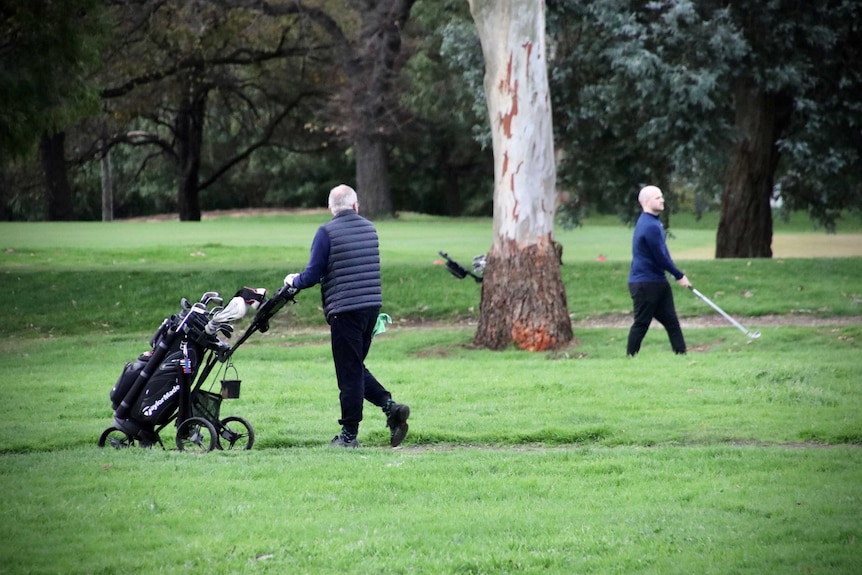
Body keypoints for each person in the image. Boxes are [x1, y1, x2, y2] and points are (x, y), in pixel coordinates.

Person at [283, 184, 410, 448]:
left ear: (331, 208)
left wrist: (292, 280)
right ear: (355, 206)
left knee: (349, 374)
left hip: (344, 310)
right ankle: (391, 408)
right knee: (354, 366)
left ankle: (349, 436)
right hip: (371, 308)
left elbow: (312, 275)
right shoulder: (370, 228)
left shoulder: (326, 232)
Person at [626, 185, 691, 356]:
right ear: (646, 202)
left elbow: (664, 252)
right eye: (657, 198)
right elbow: (660, 257)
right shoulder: (649, 226)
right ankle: (629, 358)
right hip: (645, 283)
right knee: (641, 323)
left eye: (661, 197)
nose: (662, 200)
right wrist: (679, 275)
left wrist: (675, 273)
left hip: (658, 281)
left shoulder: (654, 222)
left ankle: (681, 355)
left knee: (671, 321)